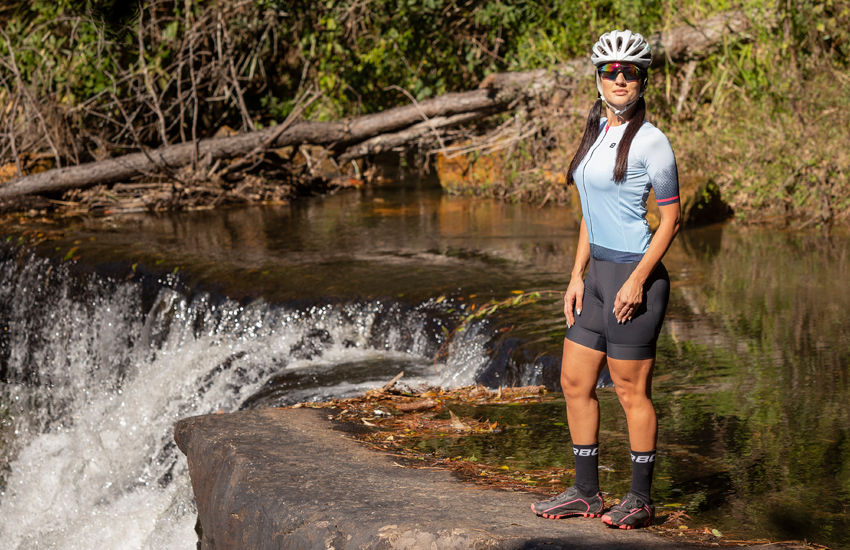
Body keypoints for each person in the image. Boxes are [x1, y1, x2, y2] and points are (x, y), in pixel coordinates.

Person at [530, 30, 681, 530]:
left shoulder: (652, 140)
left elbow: (671, 220)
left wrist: (637, 280)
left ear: (643, 79)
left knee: (629, 390)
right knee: (574, 380)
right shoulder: (596, 131)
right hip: (596, 278)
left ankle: (640, 499)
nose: (619, 79)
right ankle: (586, 492)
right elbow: (588, 213)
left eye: (629, 71)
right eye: (610, 71)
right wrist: (576, 276)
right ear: (597, 78)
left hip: (634, 278)